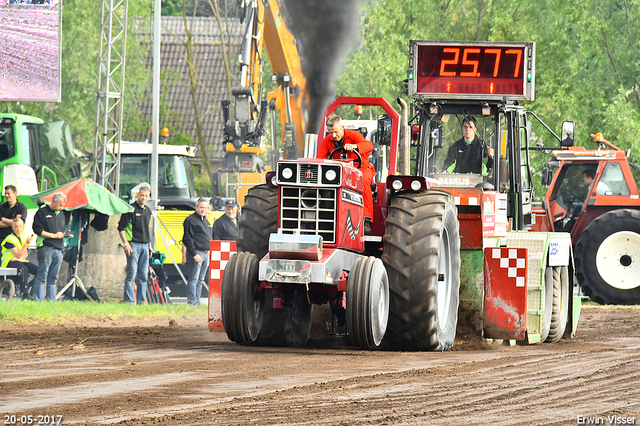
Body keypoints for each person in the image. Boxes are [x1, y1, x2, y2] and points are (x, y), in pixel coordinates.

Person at [316, 114, 376, 223]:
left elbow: (369, 145)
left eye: (336, 132)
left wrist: (354, 146)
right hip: (338, 171)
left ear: (342, 127)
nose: (333, 135)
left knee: (363, 179)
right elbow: (320, 158)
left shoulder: (353, 135)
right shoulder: (327, 140)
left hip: (360, 168)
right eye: (330, 132)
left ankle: (366, 218)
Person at [118, 185, 152, 305]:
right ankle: (129, 301)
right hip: (133, 245)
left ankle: (141, 302)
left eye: (146, 196)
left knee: (143, 275)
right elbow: (121, 228)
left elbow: (147, 229)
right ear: (137, 195)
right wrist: (126, 243)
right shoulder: (130, 209)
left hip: (145, 246)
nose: (143, 198)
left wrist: (149, 245)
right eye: (142, 195)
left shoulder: (148, 210)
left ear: (148, 197)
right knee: (131, 274)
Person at [32, 192, 68, 302]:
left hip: (58, 248)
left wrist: (64, 235)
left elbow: (61, 230)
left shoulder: (61, 214)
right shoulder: (42, 212)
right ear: (53, 202)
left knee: (53, 277)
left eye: (63, 206)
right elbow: (37, 230)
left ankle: (51, 300)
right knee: (42, 275)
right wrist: (53, 235)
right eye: (60, 205)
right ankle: (38, 299)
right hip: (46, 247)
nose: (61, 208)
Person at [182, 198, 212, 305]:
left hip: (206, 254)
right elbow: (187, 239)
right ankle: (192, 301)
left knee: (201, 280)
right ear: (196, 207)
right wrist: (194, 254)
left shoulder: (205, 221)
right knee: (193, 279)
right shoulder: (190, 220)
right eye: (201, 207)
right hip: (197, 254)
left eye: (205, 207)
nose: (203, 209)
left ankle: (197, 301)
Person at [1, 218, 37, 299]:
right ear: (13, 228)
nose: (18, 228)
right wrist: (25, 245)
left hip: (19, 260)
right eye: (16, 227)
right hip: (9, 261)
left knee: (38, 270)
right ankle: (25, 293)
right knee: (23, 269)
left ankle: (32, 290)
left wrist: (20, 256)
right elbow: (17, 254)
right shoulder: (10, 238)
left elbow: (25, 254)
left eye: (20, 226)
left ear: (23, 227)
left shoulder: (22, 237)